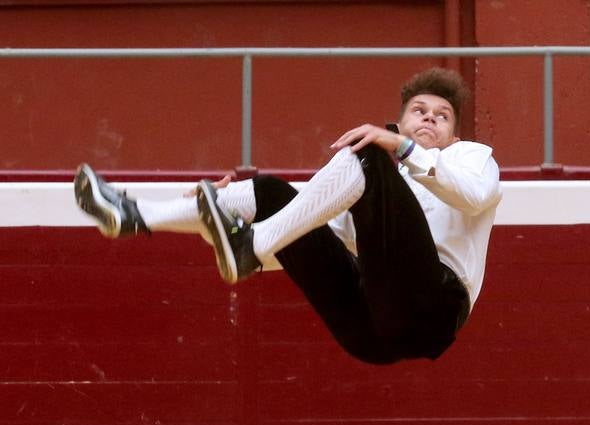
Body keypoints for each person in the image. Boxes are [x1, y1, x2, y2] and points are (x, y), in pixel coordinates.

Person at [74, 67, 501, 364]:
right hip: (371, 332)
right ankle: (137, 214)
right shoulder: (373, 185)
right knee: (273, 193)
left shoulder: (470, 156)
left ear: (455, 134)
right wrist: (217, 218)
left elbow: (474, 195)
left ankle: (249, 248)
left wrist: (399, 148)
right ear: (400, 120)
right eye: (419, 112)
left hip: (433, 310)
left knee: (365, 152)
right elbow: (300, 241)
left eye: (441, 116)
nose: (429, 119)